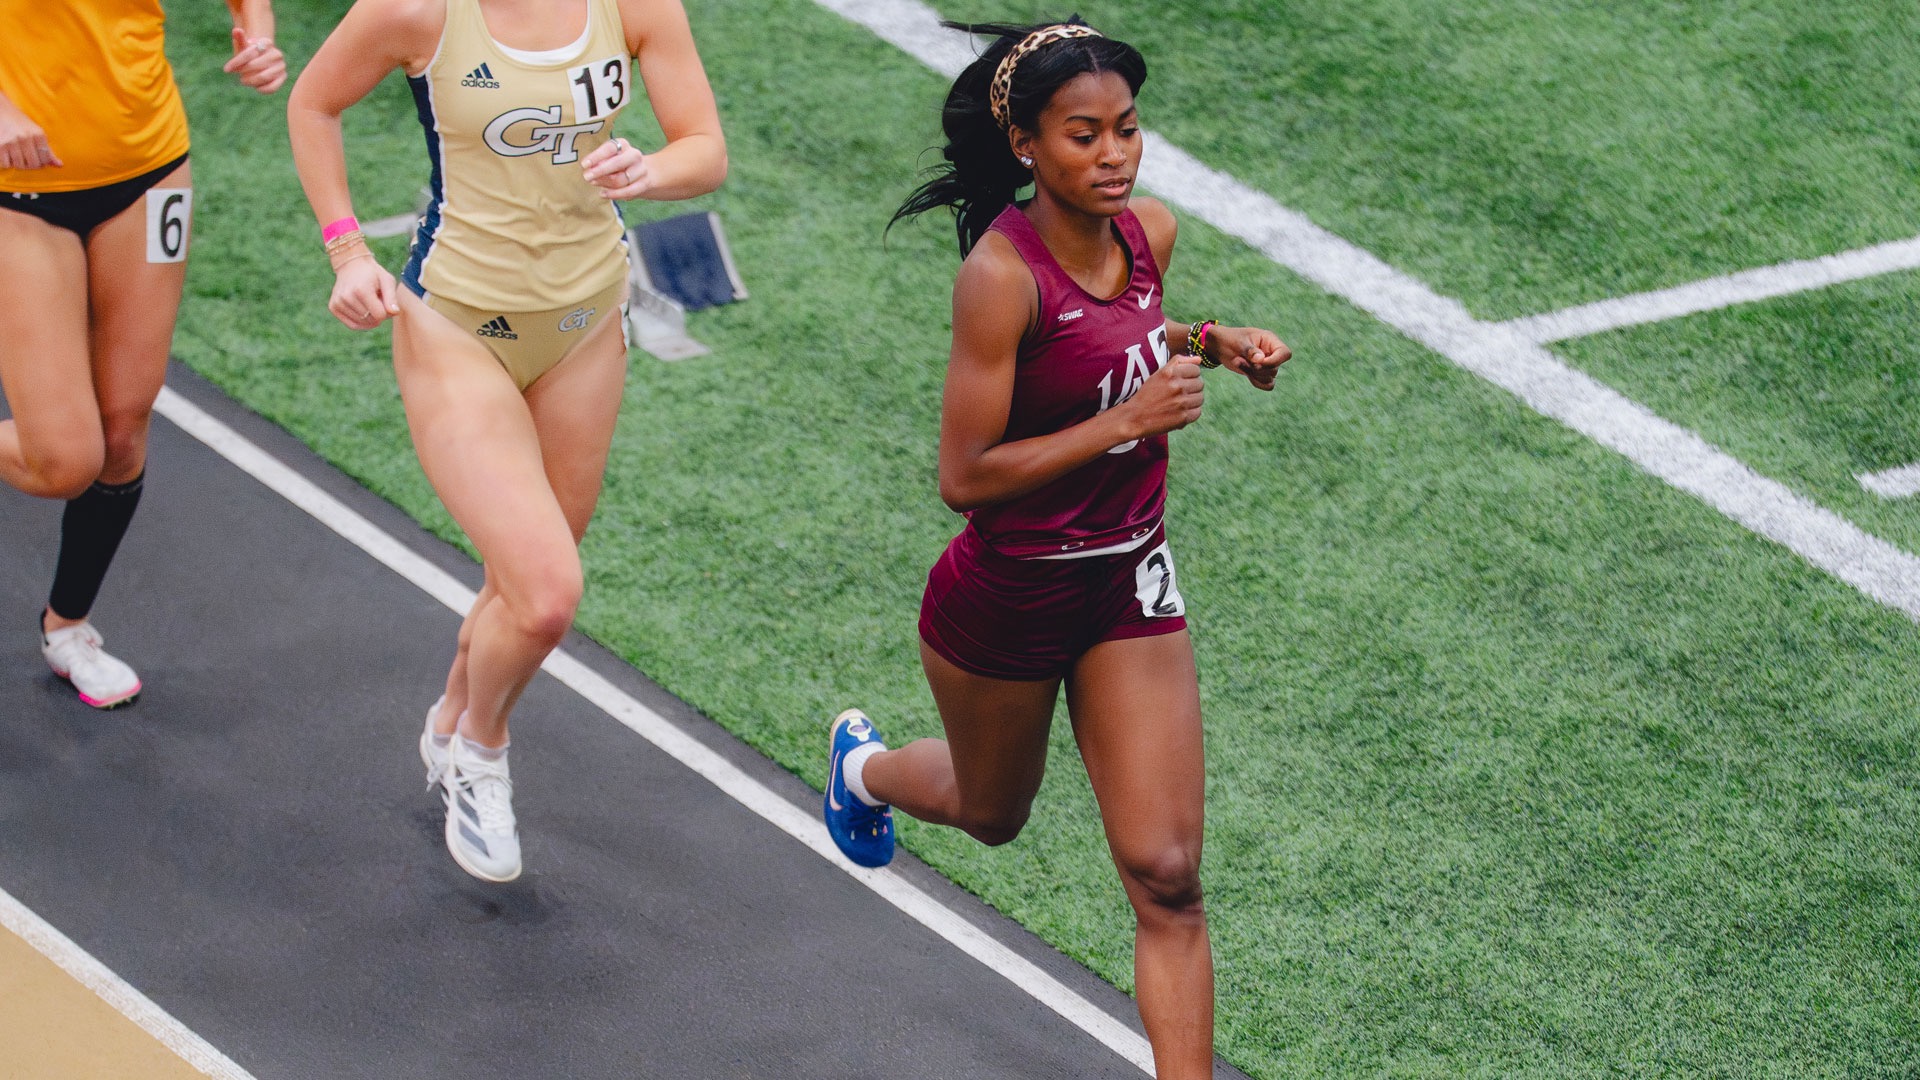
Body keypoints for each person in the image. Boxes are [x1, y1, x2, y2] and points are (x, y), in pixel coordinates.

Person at [822, 19, 1288, 1078]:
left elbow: (1131, 331)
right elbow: (965, 476)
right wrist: (1120, 426)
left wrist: (1218, 345)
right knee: (993, 816)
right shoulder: (999, 278)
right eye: (1085, 135)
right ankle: (866, 770)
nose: (1114, 154)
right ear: (1029, 145)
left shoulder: (1150, 235)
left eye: (1127, 129)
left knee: (1168, 875)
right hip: (1009, 598)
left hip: (1129, 581)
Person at [287, 0, 725, 882]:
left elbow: (703, 149)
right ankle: (481, 752)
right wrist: (346, 253)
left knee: (517, 580)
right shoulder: (417, 11)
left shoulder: (635, 6)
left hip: (588, 321)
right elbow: (312, 103)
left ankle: (452, 713)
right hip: (455, 322)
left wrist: (650, 168)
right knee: (547, 594)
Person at [0, 2, 284, 709]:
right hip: (18, 189)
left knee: (123, 427)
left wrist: (261, 36)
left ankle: (68, 628)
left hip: (149, 169)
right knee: (65, 460)